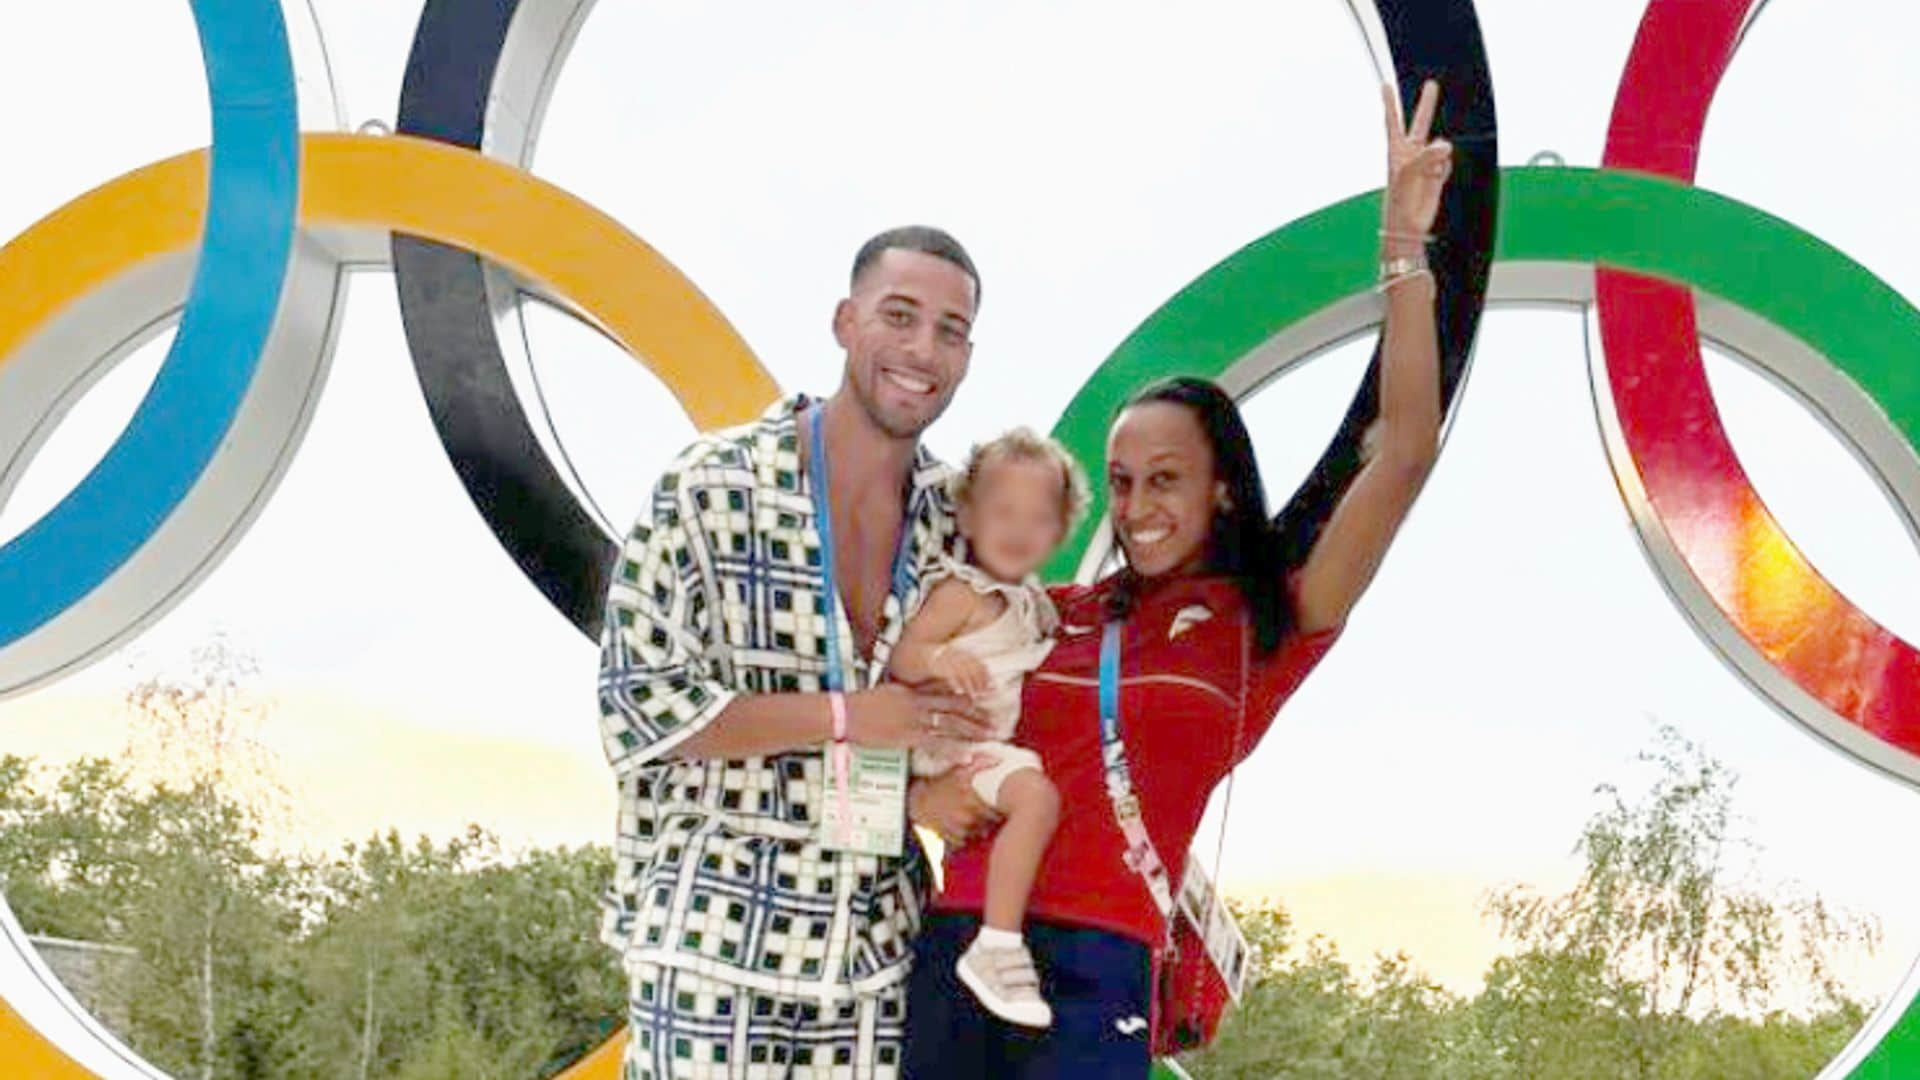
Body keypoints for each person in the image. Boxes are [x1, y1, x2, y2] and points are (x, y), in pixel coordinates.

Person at [903, 80, 1457, 1077]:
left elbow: (1405, 452)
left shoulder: (1266, 627)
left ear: (1223, 493)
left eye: (1166, 480)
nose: (1140, 505)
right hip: (958, 941)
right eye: (1120, 483)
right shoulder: (1048, 612)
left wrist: (1403, 253)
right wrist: (911, 802)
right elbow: (891, 699)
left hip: (1102, 965)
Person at [598, 226, 999, 1079]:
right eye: (900, 315)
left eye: (951, 330)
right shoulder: (710, 485)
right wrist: (849, 716)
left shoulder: (954, 527)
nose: (923, 349)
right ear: (845, 322)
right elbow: (641, 707)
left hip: (874, 951)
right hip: (714, 932)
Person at [887, 429, 1089, 1029]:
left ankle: (996, 937)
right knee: (1038, 798)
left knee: (1032, 801)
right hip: (948, 750)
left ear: (1059, 531)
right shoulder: (961, 592)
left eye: (1039, 517)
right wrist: (938, 661)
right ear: (969, 515)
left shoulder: (1029, 601)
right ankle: (998, 942)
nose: (1019, 529)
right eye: (1003, 512)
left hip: (981, 747)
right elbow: (903, 654)